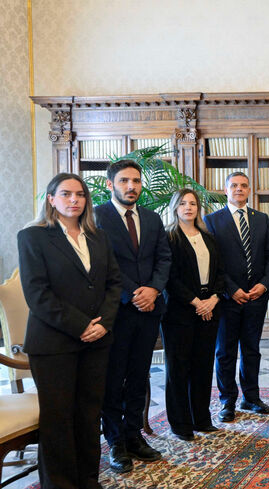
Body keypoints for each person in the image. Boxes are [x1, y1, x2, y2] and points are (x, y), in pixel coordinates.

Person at [18, 173, 121, 489]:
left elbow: (114, 284)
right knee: (58, 419)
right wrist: (81, 326)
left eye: (80, 194)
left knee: (89, 415)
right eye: (66, 194)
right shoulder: (32, 237)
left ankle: (88, 479)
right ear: (51, 199)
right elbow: (37, 294)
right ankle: (61, 484)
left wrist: (101, 323)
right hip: (54, 344)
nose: (74, 200)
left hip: (96, 341)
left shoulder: (98, 236)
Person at [94, 159, 171, 473]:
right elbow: (103, 262)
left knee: (139, 376)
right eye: (125, 181)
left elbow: (164, 258)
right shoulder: (97, 217)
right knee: (114, 379)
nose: (132, 186)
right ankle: (115, 442)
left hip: (149, 311)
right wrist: (133, 293)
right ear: (111, 184)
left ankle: (133, 435)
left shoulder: (152, 218)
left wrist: (152, 290)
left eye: (136, 181)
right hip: (117, 311)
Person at [204, 172, 269, 422]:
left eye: (243, 186)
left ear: (249, 190)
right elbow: (213, 262)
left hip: (256, 297)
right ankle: (227, 401)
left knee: (252, 349)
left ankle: (252, 397)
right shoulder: (212, 220)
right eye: (234, 186)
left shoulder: (261, 219)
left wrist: (264, 284)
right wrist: (230, 288)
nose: (239, 189)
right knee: (225, 352)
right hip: (227, 298)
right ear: (226, 190)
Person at [162, 189, 226, 441]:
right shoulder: (169, 238)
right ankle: (180, 424)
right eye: (183, 203)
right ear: (175, 207)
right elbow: (170, 278)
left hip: (209, 310)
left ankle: (201, 419)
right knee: (178, 368)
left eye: (193, 203)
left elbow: (221, 272)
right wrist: (195, 301)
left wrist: (213, 299)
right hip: (180, 311)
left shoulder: (208, 238)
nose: (188, 207)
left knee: (202, 366)